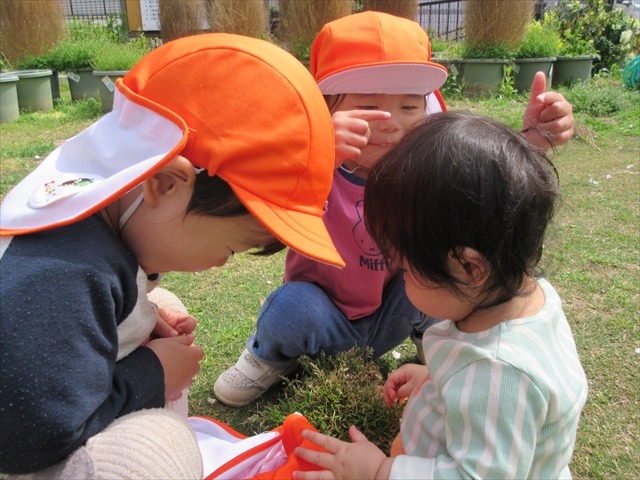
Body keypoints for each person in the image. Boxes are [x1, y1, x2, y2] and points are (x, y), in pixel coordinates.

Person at [0, 33, 344, 478]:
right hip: (26, 447)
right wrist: (152, 373)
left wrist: (137, 316)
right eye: (232, 247)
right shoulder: (62, 275)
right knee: (160, 447)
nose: (222, 263)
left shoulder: (88, 223)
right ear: (164, 184)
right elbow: (31, 437)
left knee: (160, 304)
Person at [213, 10, 576, 408]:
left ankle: (438, 347)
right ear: (325, 109)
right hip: (323, 317)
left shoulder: (424, 172)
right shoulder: (310, 168)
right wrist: (315, 153)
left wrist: (528, 144)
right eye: (370, 105)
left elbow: (483, 187)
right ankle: (268, 356)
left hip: (399, 313)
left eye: (409, 107)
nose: (390, 123)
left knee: (442, 274)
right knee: (291, 306)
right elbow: (263, 205)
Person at [292, 111, 589, 480]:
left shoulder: (500, 374)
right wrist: (442, 380)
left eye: (406, 268)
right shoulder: (528, 299)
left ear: (469, 268)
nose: (401, 278)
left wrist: (380, 471)